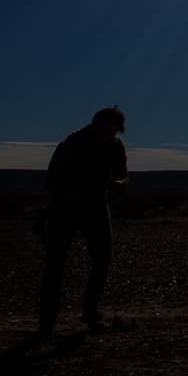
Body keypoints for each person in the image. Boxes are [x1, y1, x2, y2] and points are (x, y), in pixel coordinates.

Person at [37, 106, 129, 336]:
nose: (111, 133)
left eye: (114, 129)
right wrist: (49, 208)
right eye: (108, 127)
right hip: (64, 208)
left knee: (103, 259)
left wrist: (119, 184)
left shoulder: (115, 146)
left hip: (96, 207)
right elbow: (53, 177)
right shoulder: (74, 143)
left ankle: (90, 312)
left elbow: (122, 174)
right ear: (96, 124)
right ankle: (46, 323)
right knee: (55, 266)